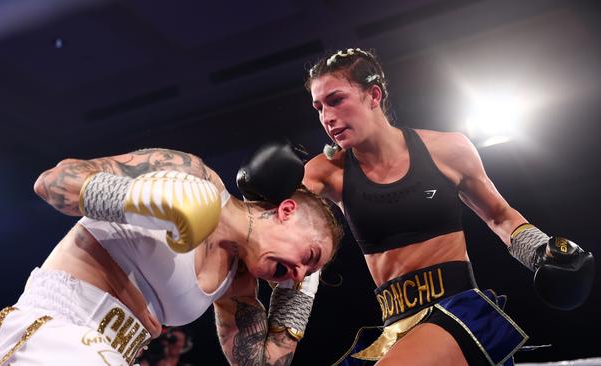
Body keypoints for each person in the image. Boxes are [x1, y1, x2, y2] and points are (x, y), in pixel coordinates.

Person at [236, 48, 594, 365]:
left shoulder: (447, 150)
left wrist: (544, 252)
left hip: (457, 314)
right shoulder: (325, 172)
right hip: (395, 328)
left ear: (373, 95)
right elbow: (265, 221)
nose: (326, 116)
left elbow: (500, 216)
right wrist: (260, 190)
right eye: (319, 107)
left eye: (336, 99)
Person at [0, 147, 343, 366]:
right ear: (287, 210)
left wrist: (299, 298)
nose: (296, 275)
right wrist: (140, 201)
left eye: (306, 276)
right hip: (55, 329)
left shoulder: (238, 287)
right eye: (309, 257)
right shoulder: (191, 177)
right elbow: (52, 182)